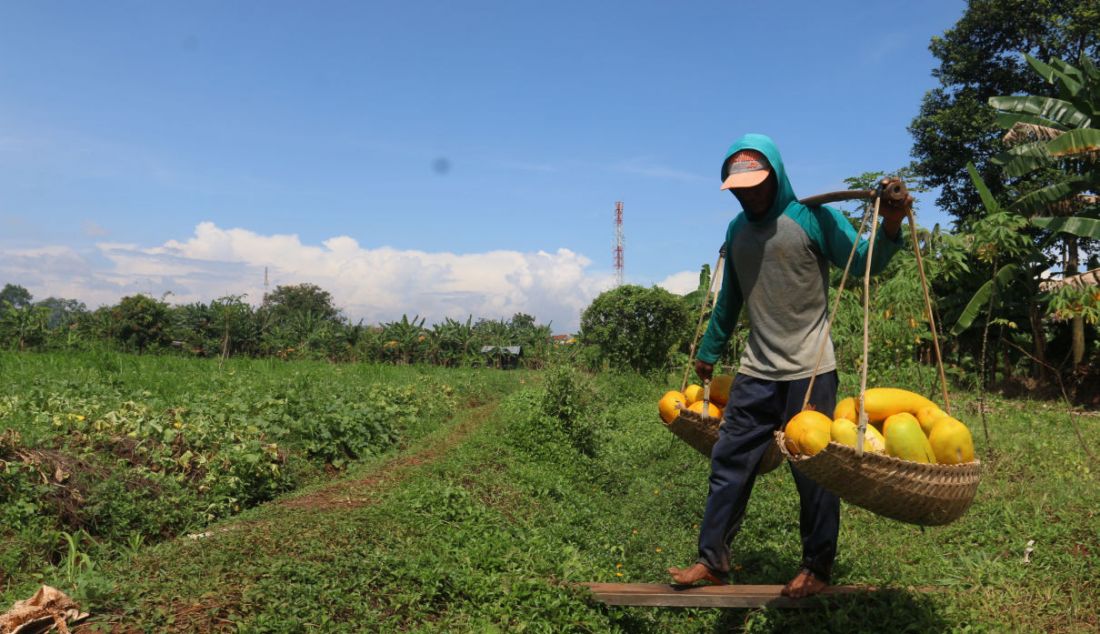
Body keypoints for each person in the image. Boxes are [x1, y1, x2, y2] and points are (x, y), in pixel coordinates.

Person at [667, 133, 912, 597]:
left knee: (815, 474)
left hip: (810, 368)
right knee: (728, 462)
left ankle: (817, 569)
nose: (748, 193)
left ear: (776, 177)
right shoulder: (737, 232)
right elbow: (731, 299)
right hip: (755, 371)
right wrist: (709, 348)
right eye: (739, 187)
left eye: (756, 184)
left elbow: (864, 262)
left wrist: (892, 221)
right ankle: (712, 560)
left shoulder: (813, 220)